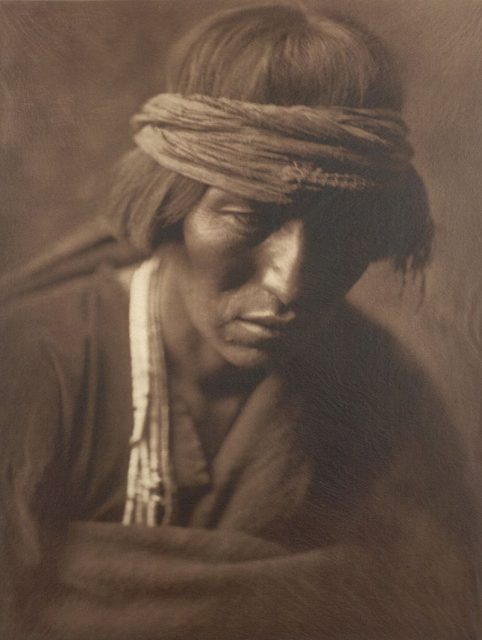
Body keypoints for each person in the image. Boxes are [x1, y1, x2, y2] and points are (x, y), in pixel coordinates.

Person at [0, 3, 479, 639]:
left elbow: (440, 605)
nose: (291, 282)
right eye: (249, 219)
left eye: (340, 230)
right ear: (171, 206)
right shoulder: (34, 366)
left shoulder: (382, 386)